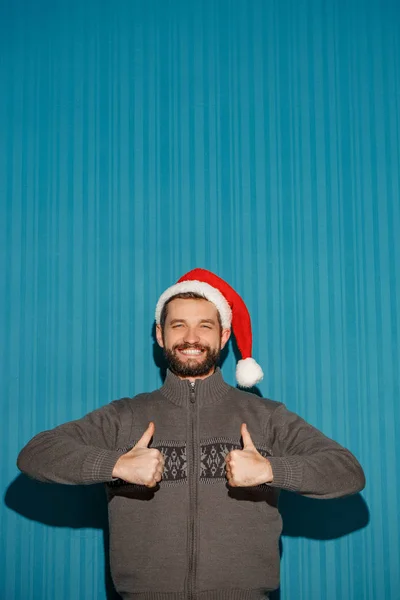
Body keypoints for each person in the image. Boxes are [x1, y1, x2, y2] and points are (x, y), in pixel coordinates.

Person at [17, 268, 366, 600]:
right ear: (160, 334)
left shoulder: (266, 416)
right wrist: (116, 465)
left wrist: (271, 471)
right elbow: (35, 454)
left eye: (205, 326)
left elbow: (347, 471)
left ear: (224, 336)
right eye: (178, 325)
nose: (191, 338)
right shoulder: (125, 415)